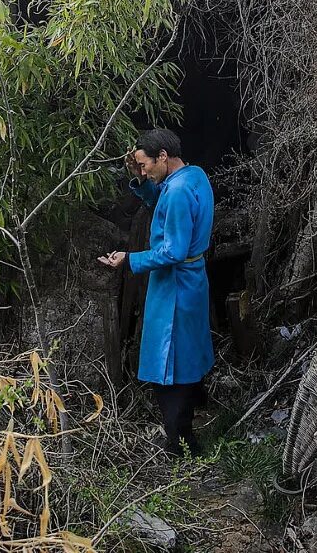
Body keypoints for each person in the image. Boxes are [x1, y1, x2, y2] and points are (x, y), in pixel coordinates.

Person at [99, 128, 215, 456]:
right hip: (192, 280)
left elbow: (173, 250)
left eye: (145, 164)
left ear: (162, 156)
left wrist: (129, 259)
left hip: (174, 284)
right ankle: (190, 428)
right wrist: (140, 181)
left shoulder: (177, 192)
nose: (144, 170)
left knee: (170, 365)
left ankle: (179, 444)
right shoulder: (193, 176)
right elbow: (160, 199)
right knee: (189, 356)